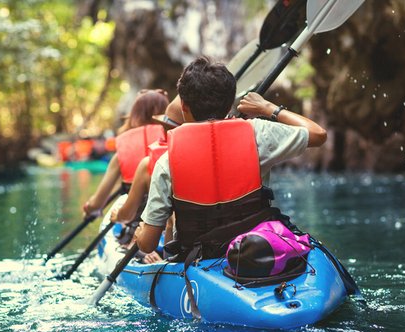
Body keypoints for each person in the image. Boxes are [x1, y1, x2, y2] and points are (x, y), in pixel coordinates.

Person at [132, 56, 327, 265]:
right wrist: (268, 108)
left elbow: (148, 244)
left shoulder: (167, 162)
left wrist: (139, 233)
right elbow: (318, 134)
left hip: (199, 260)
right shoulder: (257, 133)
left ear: (183, 106)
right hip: (257, 252)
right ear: (229, 103)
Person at [110, 96, 183, 263]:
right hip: (197, 248)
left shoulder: (151, 163)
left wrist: (117, 218)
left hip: (158, 242)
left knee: (137, 242)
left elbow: (128, 216)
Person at [82, 89, 169, 217]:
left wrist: (89, 208)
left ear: (135, 114)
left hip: (134, 220)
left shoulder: (121, 152)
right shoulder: (175, 140)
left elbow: (97, 203)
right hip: (169, 219)